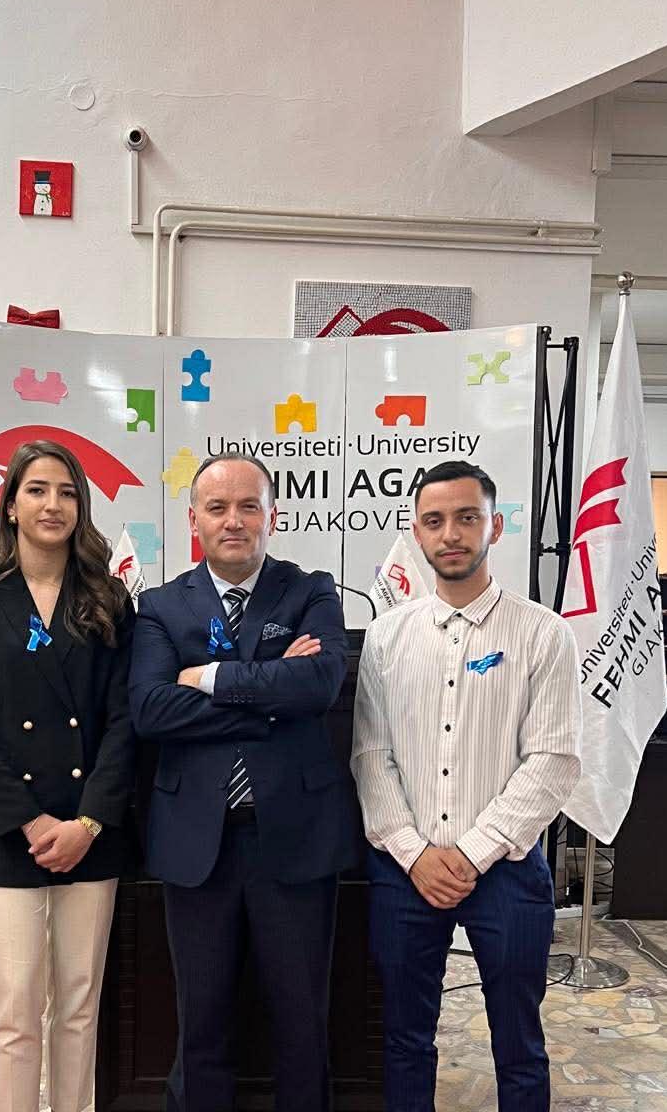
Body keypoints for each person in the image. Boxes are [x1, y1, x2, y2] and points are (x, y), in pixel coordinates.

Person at [129, 453, 362, 1112]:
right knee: (201, 1021)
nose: (234, 520)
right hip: (195, 844)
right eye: (218, 508)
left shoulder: (310, 591)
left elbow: (318, 685)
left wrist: (207, 678)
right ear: (194, 520)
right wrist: (271, 696)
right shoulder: (160, 606)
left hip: (295, 838)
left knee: (301, 1020)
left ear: (272, 516)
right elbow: (150, 710)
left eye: (248, 506)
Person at [351, 460, 581, 1112]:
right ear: (416, 533)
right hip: (405, 871)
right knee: (404, 1038)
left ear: (494, 526)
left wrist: (471, 853)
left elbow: (553, 761)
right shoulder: (387, 636)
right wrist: (416, 854)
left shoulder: (543, 633)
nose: (450, 534)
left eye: (466, 517)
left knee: (519, 1042)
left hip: (507, 871)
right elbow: (370, 755)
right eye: (434, 521)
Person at [0, 439, 136, 1112]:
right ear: (11, 506)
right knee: (14, 1007)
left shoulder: (109, 598)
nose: (54, 504)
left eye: (68, 492)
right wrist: (28, 820)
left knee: (79, 1004)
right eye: (38, 490)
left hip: (90, 830)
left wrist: (88, 821)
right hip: (7, 832)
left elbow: (124, 721)